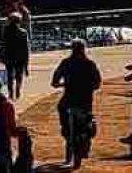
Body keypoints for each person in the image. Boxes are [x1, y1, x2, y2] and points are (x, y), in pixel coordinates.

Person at [50, 38, 102, 168]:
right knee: (88, 120)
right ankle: (86, 134)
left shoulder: (66, 63)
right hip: (85, 101)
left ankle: (68, 135)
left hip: (68, 100)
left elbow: (55, 81)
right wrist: (87, 86)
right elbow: (97, 83)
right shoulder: (90, 64)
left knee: (63, 118)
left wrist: (61, 84)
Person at [0, 12, 30, 100]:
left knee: (9, 75)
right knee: (19, 75)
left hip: (9, 56)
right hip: (20, 57)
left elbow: (2, 45)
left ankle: (11, 92)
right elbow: (26, 49)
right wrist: (26, 64)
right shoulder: (23, 32)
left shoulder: (6, 32)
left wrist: (0, 56)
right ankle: (18, 89)